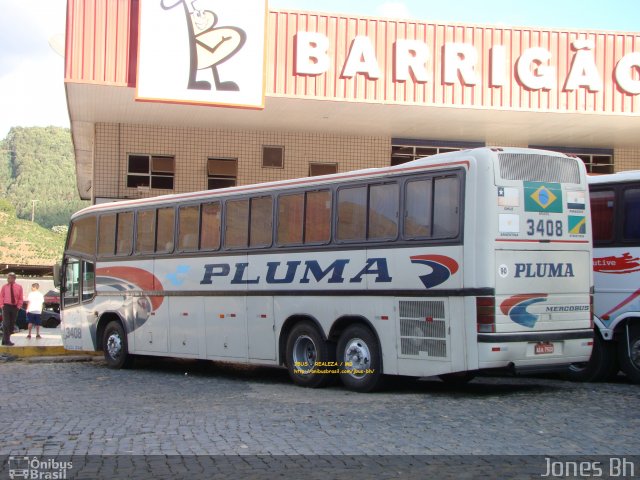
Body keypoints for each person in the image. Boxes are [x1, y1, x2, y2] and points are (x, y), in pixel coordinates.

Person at [1, 273, 24, 346]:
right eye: (7, 278)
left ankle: (5, 339)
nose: (8, 279)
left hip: (15, 307)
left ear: (14, 279)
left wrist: (19, 306)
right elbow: (1, 296)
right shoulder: (4, 287)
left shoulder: (19, 287)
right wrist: (2, 305)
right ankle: (7, 341)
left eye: (10, 278)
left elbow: (20, 298)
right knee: (6, 323)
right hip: (6, 306)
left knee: (11, 324)